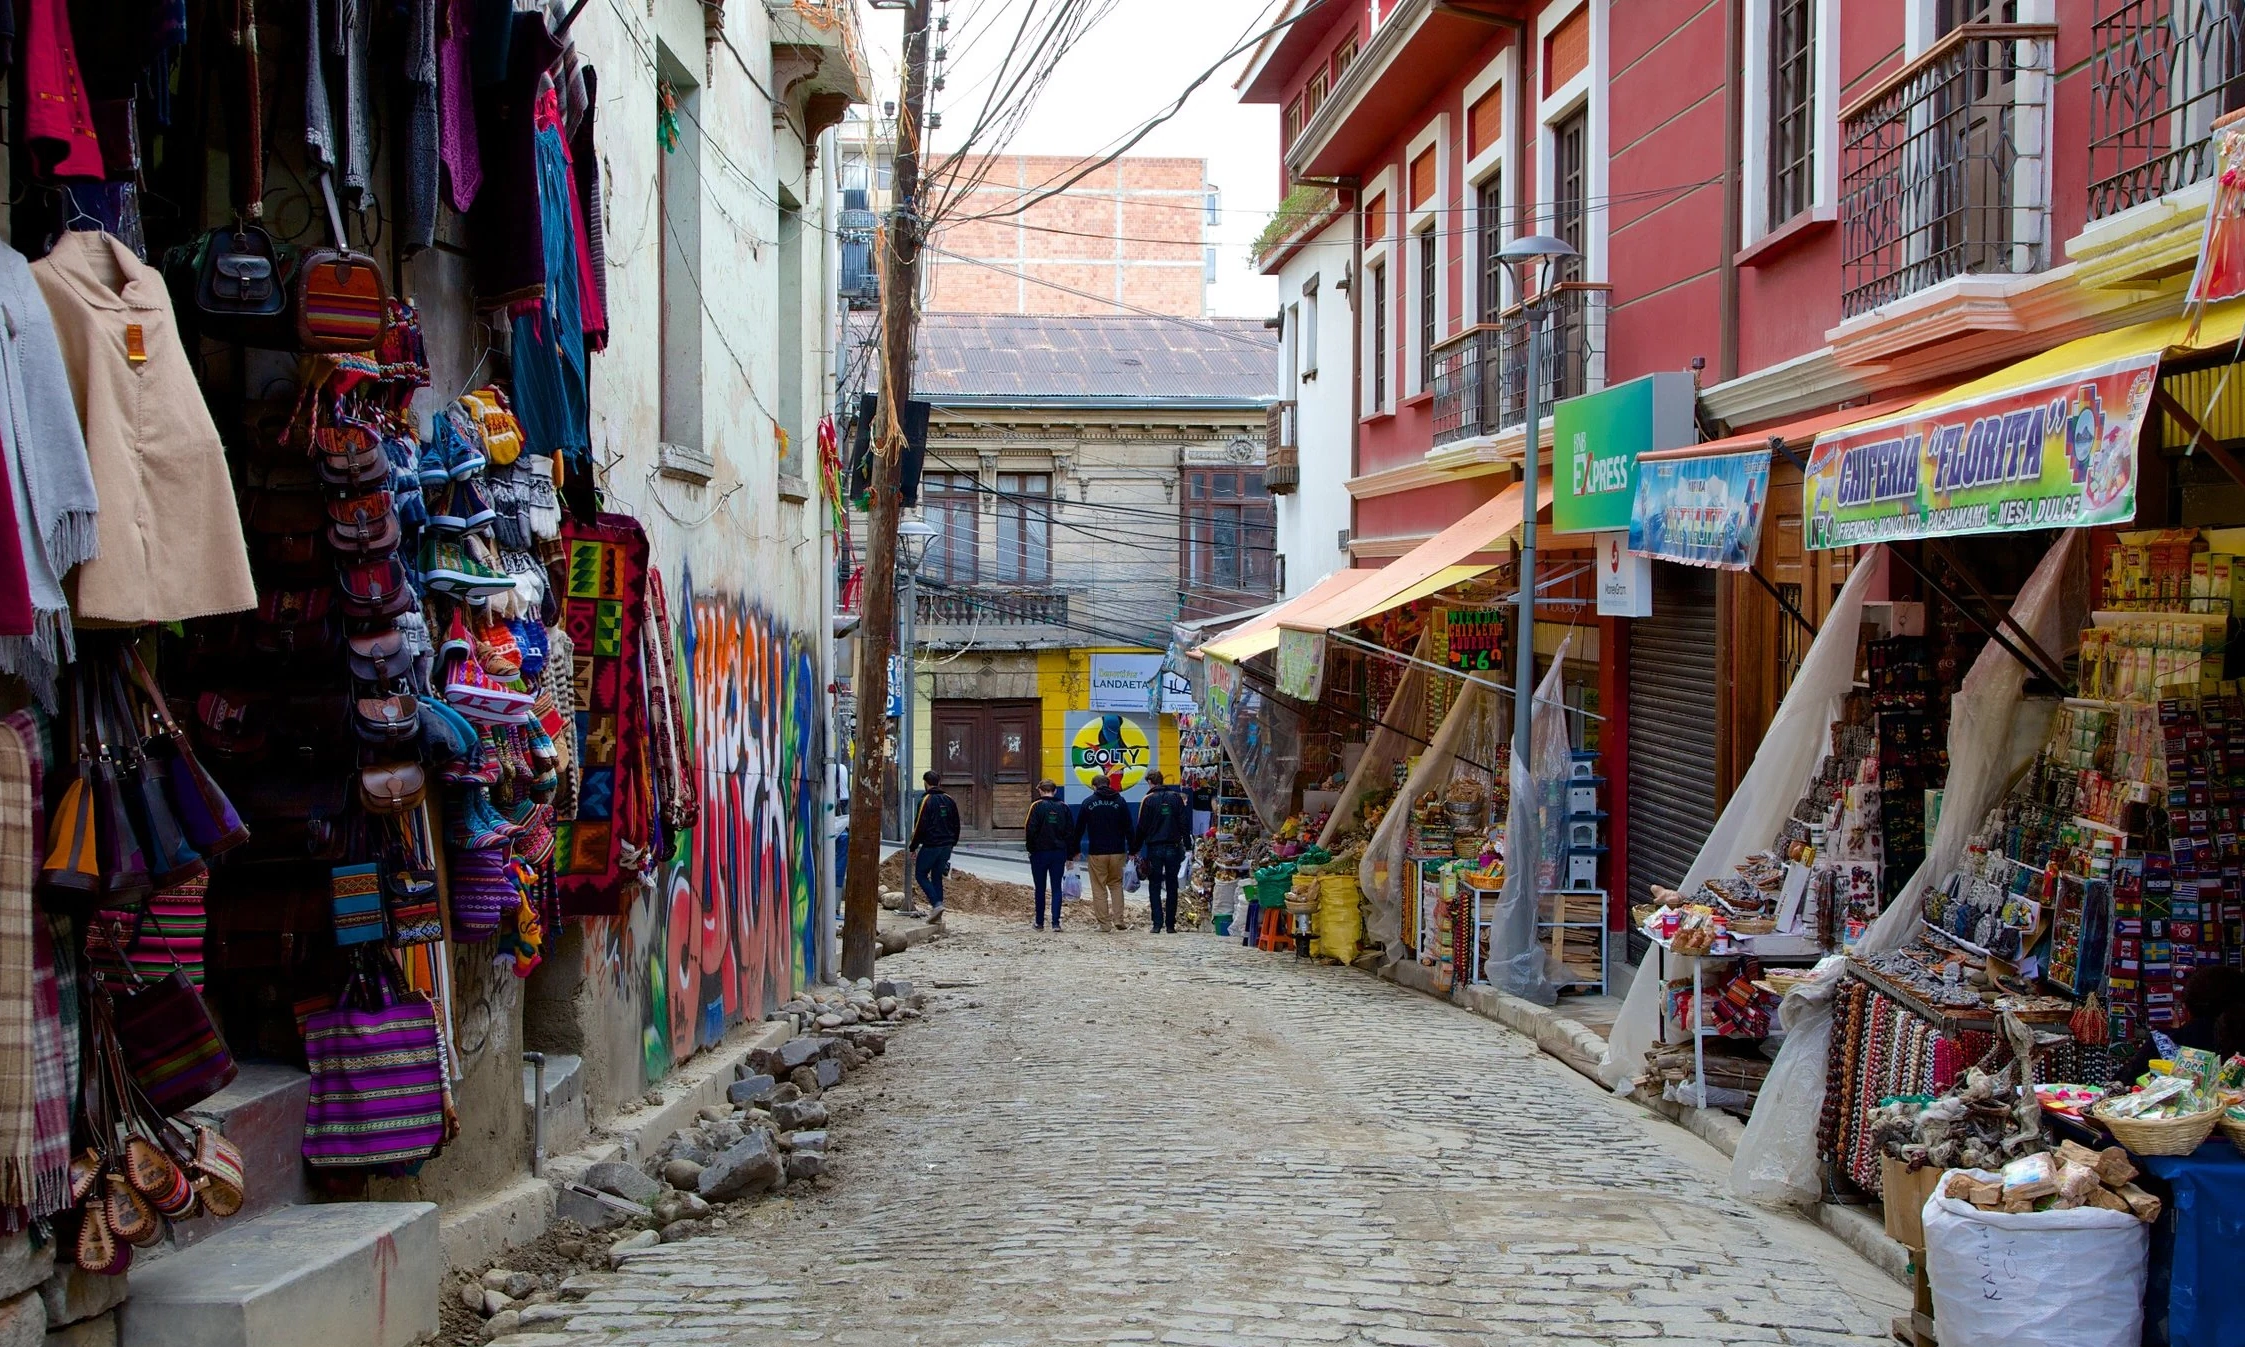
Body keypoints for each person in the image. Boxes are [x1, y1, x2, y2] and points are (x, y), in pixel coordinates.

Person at [2121, 965, 2245, 1082]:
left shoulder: (2163, 1043)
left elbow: (2117, 1089)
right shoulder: (2235, 1046)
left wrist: (2177, 1033)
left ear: (2187, 1009)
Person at [1074, 771, 1137, 932]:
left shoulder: (1088, 802)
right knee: (1116, 885)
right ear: (1109, 785)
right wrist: (1133, 849)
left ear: (1094, 787)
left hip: (1097, 852)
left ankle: (1104, 924)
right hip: (1117, 851)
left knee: (1099, 887)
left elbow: (1079, 828)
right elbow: (1129, 827)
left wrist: (1074, 850)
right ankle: (1119, 919)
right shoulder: (1120, 801)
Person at [1133, 770, 1192, 933]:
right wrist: (1188, 845)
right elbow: (1183, 822)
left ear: (1150, 782)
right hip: (1173, 846)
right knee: (1172, 885)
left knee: (1154, 885)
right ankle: (1171, 924)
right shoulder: (1176, 798)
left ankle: (1157, 923)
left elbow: (1141, 826)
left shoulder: (1148, 800)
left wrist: (1135, 848)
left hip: (1154, 847)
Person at [906, 770, 960, 923]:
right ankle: (938, 915)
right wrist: (952, 843)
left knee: (921, 874)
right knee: (937, 876)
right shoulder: (949, 800)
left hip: (931, 845)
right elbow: (956, 823)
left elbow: (919, 826)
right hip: (947, 846)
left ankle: (936, 904)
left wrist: (913, 847)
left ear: (925, 783)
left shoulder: (926, 801)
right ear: (939, 782)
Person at [1022, 778, 1075, 932]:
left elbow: (1030, 829)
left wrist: (1030, 848)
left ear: (1040, 790)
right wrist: (1069, 855)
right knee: (1056, 887)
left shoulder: (1036, 806)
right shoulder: (1064, 807)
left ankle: (1039, 922)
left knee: (1040, 887)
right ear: (1055, 790)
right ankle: (1056, 922)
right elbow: (1070, 832)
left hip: (1039, 852)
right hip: (1059, 852)